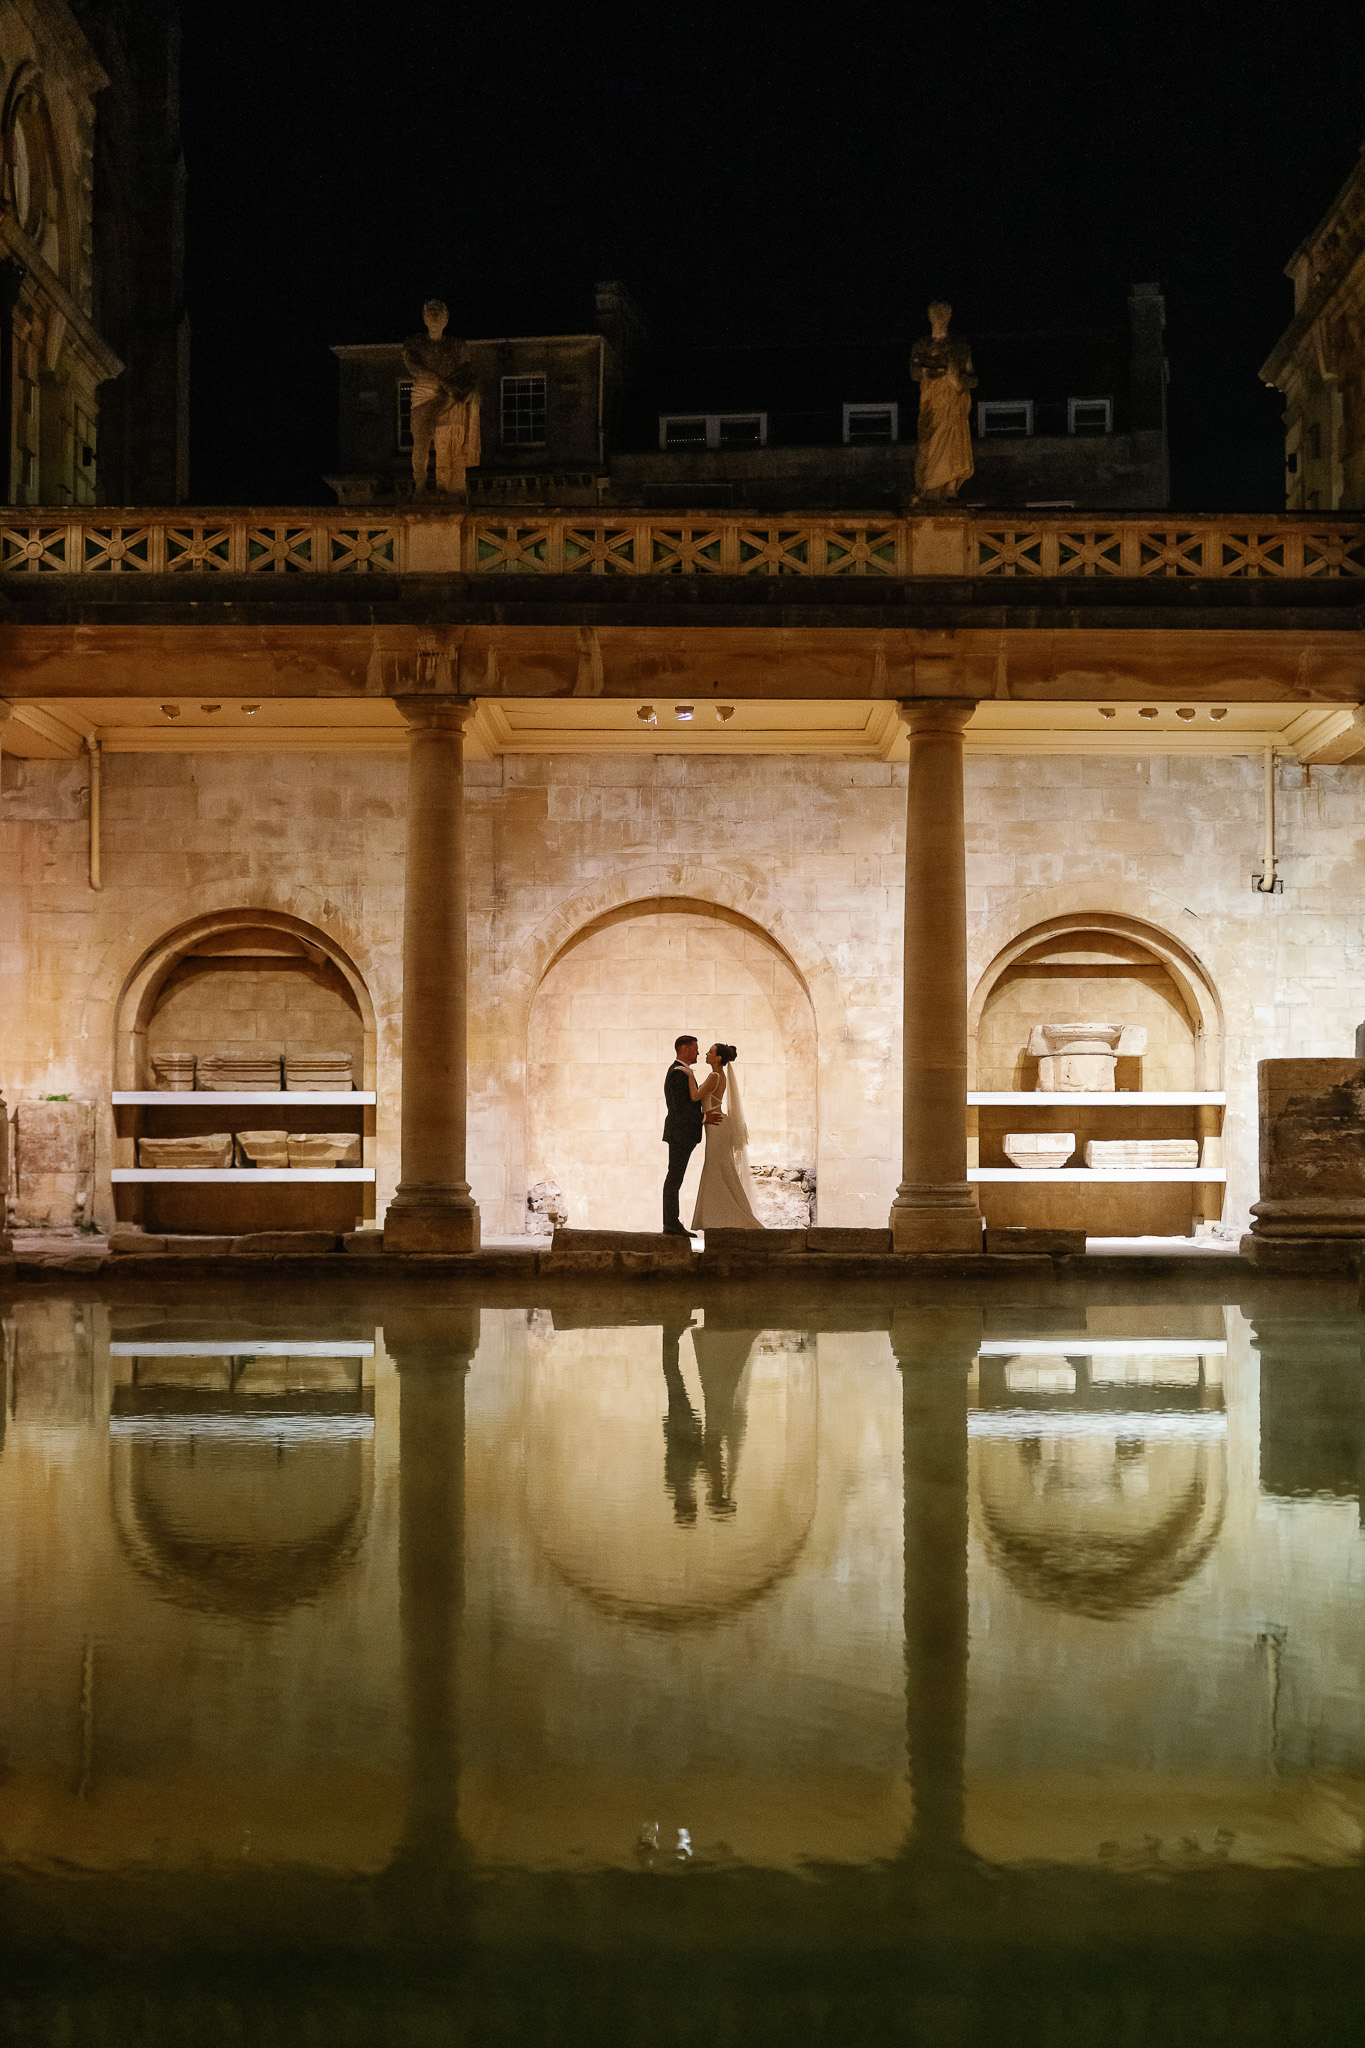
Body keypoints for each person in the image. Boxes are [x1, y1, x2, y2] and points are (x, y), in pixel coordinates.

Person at [690, 1043, 764, 1232]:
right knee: (721, 1168)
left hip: (716, 1125)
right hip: (717, 1124)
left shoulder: (715, 1075)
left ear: (718, 1058)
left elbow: (696, 1095)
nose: (706, 1053)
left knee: (715, 1167)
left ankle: (720, 1215)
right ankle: (720, 1214)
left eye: (711, 1052)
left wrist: (689, 1074)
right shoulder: (719, 1075)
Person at [910, 300, 976, 501]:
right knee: (926, 446)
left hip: (953, 404)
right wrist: (939, 372)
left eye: (944, 314)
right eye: (936, 314)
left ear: (949, 317)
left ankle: (950, 487)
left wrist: (958, 379)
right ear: (930, 317)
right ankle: (924, 487)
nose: (940, 318)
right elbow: (914, 374)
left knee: (953, 443)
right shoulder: (922, 345)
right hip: (931, 404)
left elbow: (973, 379)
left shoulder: (960, 346)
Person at [662, 1034, 704, 1235]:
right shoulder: (678, 1073)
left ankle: (672, 1222)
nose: (698, 1052)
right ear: (684, 1048)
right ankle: (671, 1222)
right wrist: (703, 1119)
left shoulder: (682, 1072)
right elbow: (681, 1109)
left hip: (682, 1133)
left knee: (675, 1177)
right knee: (674, 1177)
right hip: (680, 1133)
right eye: (695, 1048)